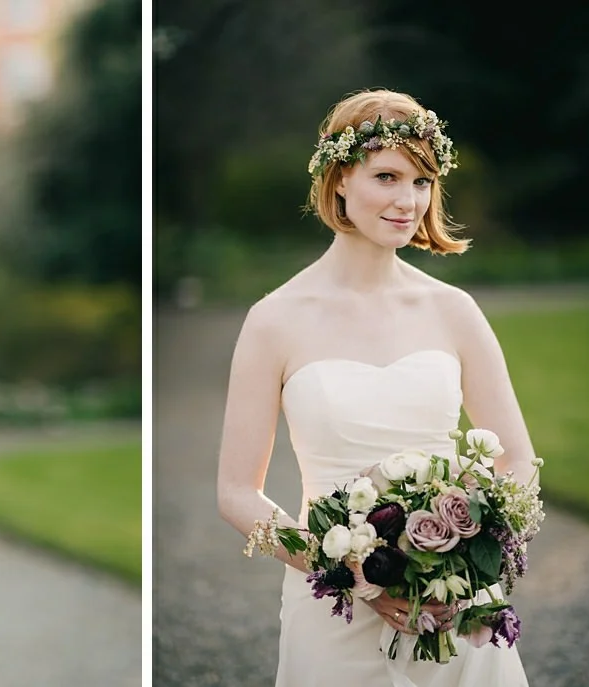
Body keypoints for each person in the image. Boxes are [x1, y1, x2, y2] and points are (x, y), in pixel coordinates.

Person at [214, 88, 533, 686]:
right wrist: (351, 572)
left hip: (455, 604)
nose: (407, 201)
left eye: (421, 181)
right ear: (339, 180)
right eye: (386, 176)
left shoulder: (453, 310)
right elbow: (236, 492)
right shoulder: (274, 320)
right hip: (334, 611)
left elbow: (517, 458)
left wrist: (465, 548)